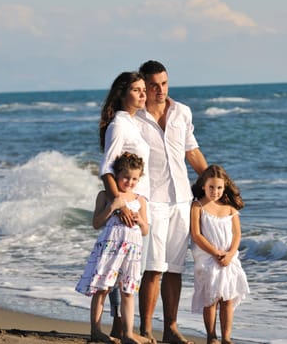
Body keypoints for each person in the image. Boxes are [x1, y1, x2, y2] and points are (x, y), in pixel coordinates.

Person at [135, 60, 208, 344]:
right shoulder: (134, 118)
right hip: (151, 201)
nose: (160, 90)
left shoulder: (182, 112)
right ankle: (144, 330)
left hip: (181, 201)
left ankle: (170, 329)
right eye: (153, 85)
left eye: (164, 83)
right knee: (153, 268)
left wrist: (216, 180)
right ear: (143, 85)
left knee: (175, 269)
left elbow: (192, 151)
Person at [86, 71, 151, 343]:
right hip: (124, 209)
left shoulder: (134, 123)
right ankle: (106, 330)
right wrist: (120, 204)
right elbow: (106, 168)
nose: (142, 94)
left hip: (136, 210)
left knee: (128, 278)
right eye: (136, 90)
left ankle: (124, 331)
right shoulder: (118, 125)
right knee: (109, 278)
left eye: (143, 89)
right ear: (122, 94)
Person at [75, 152, 149, 344]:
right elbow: (96, 223)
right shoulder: (105, 196)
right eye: (126, 177)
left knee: (128, 291)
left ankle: (128, 333)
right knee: (102, 288)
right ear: (115, 175)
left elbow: (146, 230)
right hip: (111, 247)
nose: (130, 182)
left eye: (134, 178)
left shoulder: (140, 200)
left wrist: (140, 220)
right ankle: (96, 330)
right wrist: (113, 206)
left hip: (132, 250)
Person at [189, 165, 249, 344]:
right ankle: (211, 336)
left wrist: (230, 254)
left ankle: (226, 337)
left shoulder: (230, 208)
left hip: (228, 259)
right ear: (203, 186)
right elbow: (196, 234)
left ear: (225, 187)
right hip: (208, 258)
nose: (215, 191)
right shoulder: (197, 206)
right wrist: (215, 253)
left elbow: (237, 234)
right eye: (211, 187)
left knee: (227, 299)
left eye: (219, 188)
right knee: (211, 299)